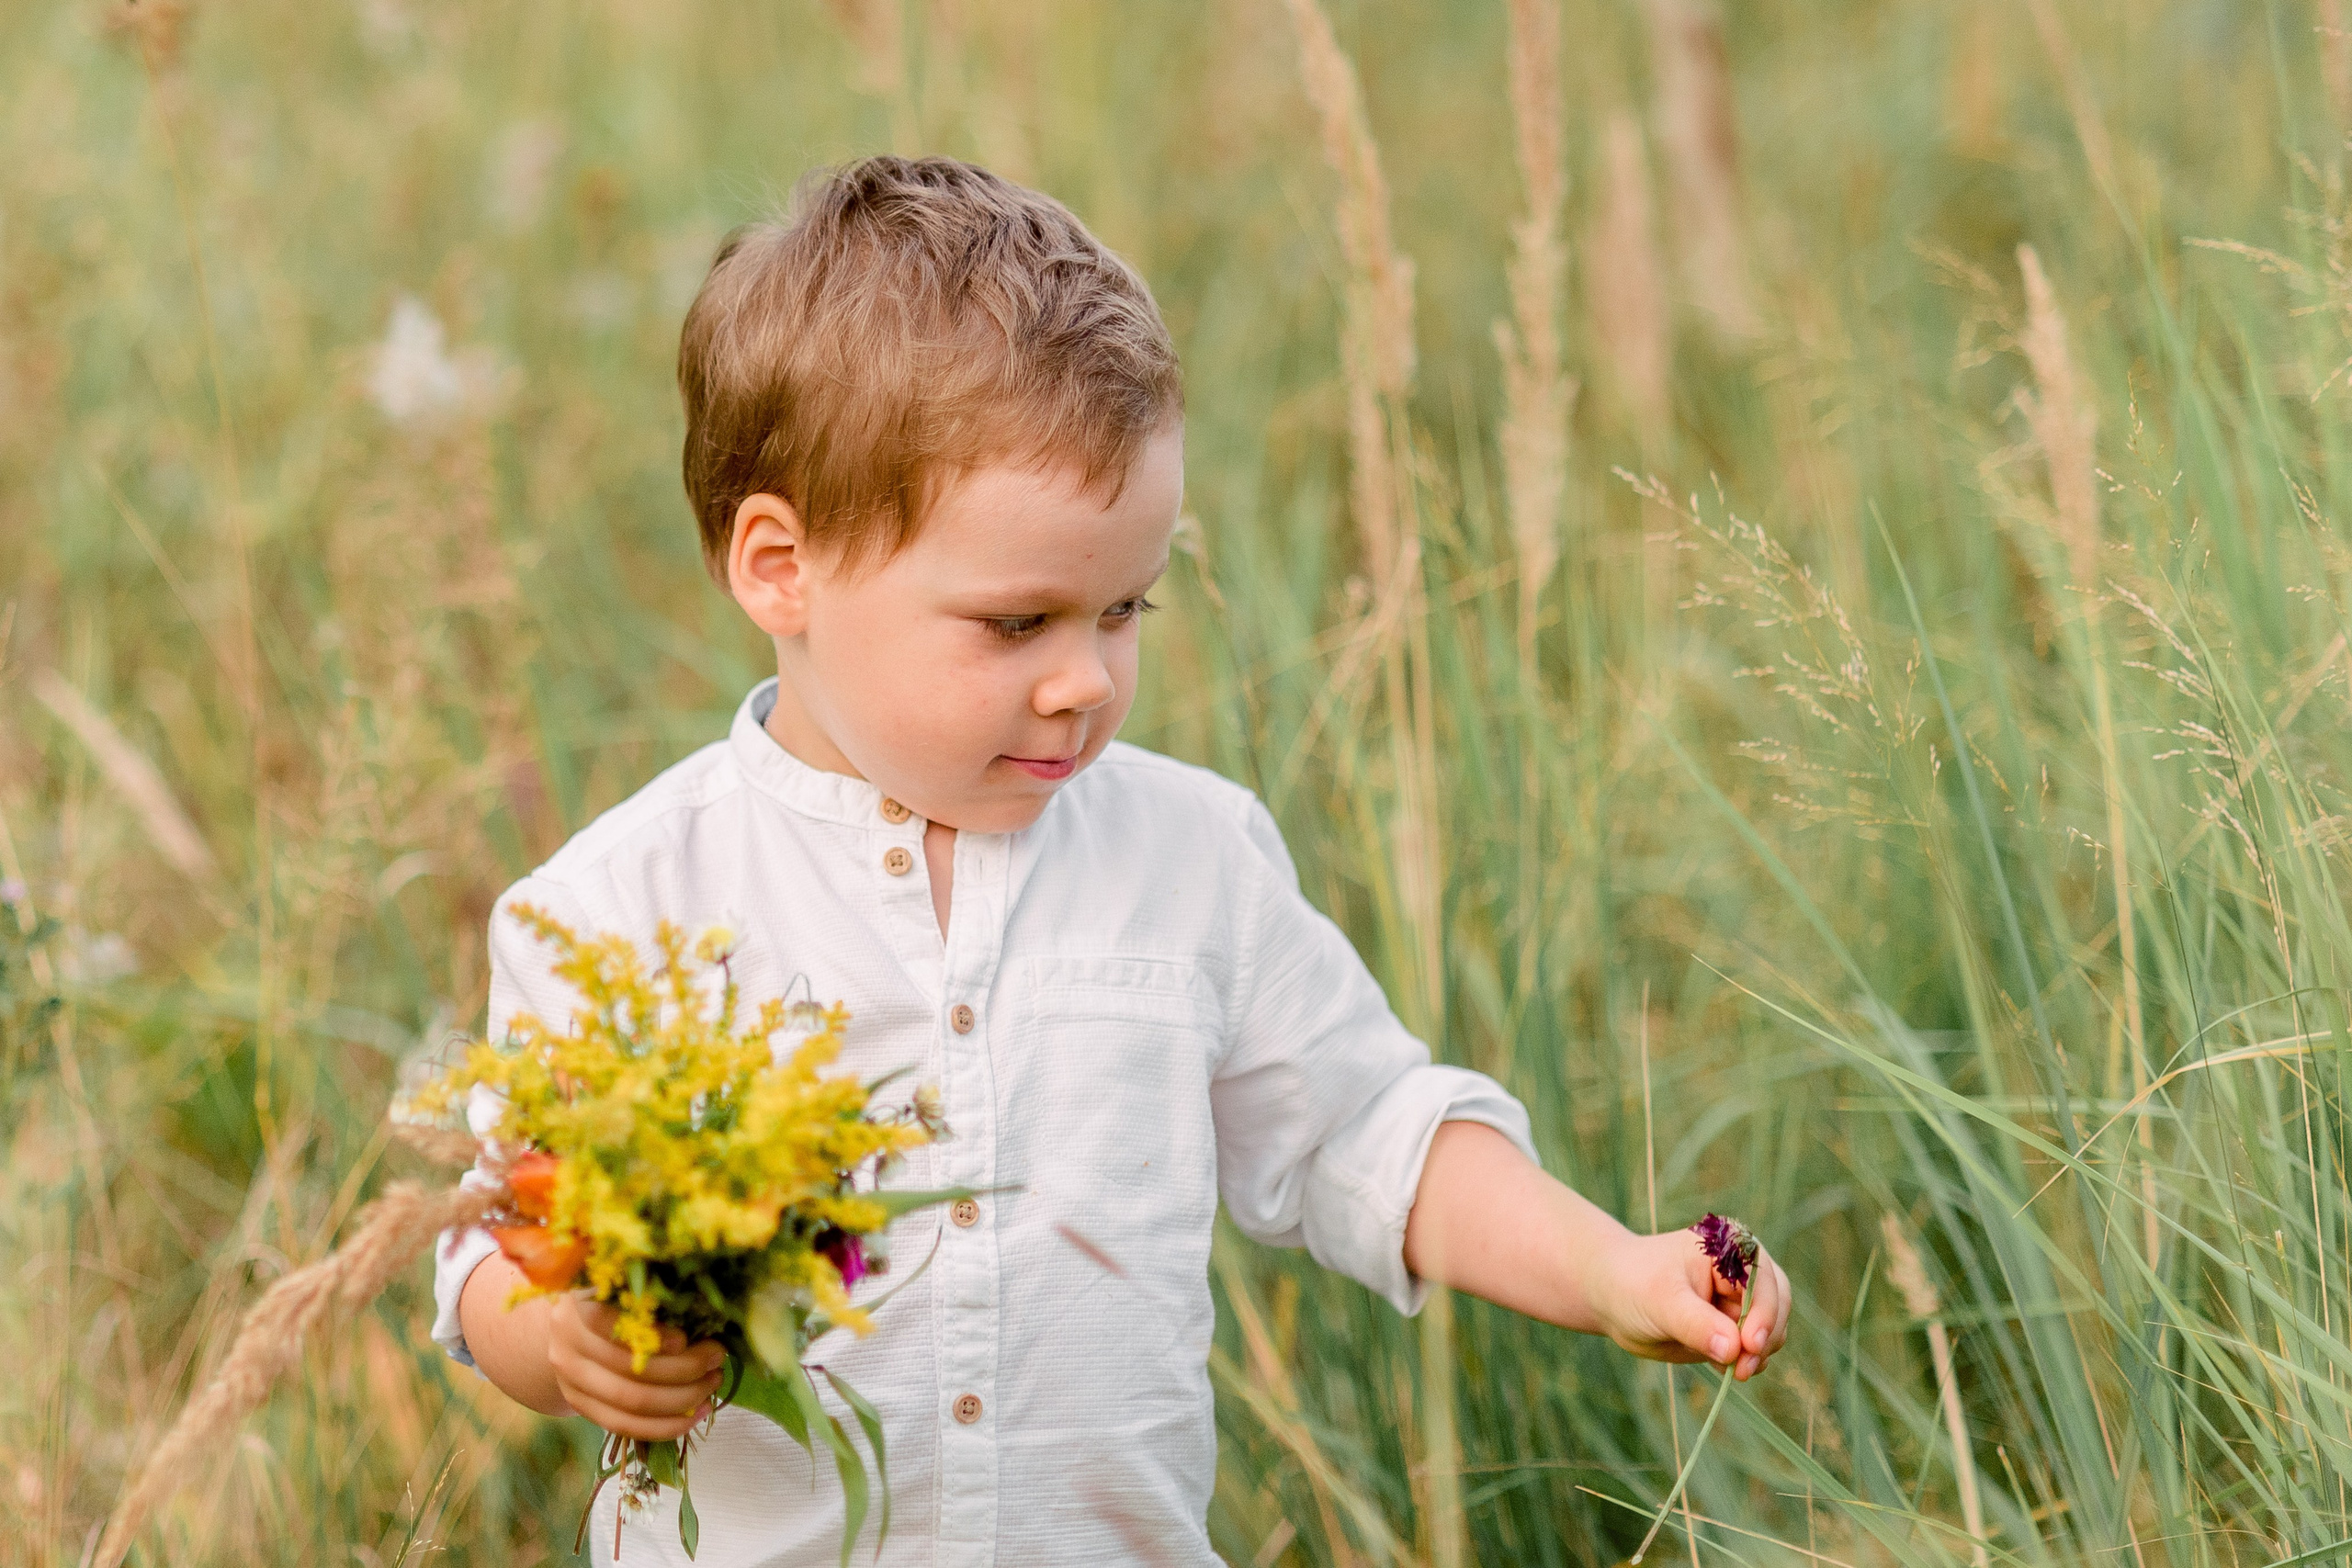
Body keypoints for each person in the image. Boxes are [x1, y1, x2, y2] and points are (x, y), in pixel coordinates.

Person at [432, 154, 1790, 1566]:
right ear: (782, 567)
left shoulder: (1189, 860)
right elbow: (491, 1251)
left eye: (1124, 608)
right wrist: (569, 1346)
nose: (1086, 680)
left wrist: (1612, 1266)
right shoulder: (625, 907)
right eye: (1019, 624)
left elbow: (1368, 1133)